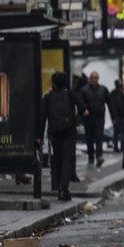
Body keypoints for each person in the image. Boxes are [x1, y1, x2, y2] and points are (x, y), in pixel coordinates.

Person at [39, 72, 87, 201]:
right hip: (69, 131)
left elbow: (42, 118)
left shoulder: (48, 97)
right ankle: (64, 188)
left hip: (54, 132)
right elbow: (83, 108)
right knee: (67, 159)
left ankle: (57, 185)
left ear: (53, 83)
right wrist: (77, 117)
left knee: (57, 158)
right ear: (65, 83)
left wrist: (40, 137)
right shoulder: (70, 94)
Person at [79, 71, 115, 168]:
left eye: (96, 78)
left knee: (99, 136)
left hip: (99, 117)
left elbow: (110, 103)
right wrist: (83, 110)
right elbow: (80, 102)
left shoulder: (103, 90)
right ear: (90, 78)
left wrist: (113, 116)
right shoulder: (84, 90)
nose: (94, 80)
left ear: (98, 79)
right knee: (89, 138)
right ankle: (91, 157)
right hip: (88, 117)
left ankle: (99, 156)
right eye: (92, 77)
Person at [110, 79, 124, 153]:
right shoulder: (121, 93)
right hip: (120, 115)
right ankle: (122, 147)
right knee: (122, 132)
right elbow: (120, 105)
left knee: (116, 132)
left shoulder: (113, 93)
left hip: (115, 115)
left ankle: (116, 146)